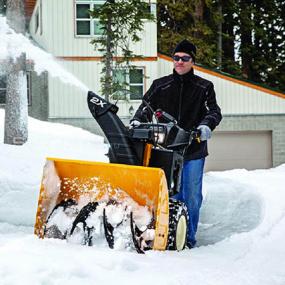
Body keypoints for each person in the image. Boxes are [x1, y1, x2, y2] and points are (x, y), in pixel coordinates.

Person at [130, 39, 222, 248]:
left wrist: (205, 126)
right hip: (164, 151)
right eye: (176, 58)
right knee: (167, 195)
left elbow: (214, 111)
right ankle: (163, 235)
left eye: (185, 58)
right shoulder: (160, 85)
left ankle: (187, 239)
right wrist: (137, 121)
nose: (180, 62)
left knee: (190, 195)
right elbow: (146, 108)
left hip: (192, 150)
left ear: (192, 61)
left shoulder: (204, 87)